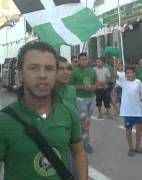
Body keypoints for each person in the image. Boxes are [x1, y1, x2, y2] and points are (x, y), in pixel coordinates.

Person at [0, 42, 88, 179]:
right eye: (34, 68)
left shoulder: (69, 111)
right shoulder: (4, 121)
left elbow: (79, 152)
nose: (42, 75)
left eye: (49, 68)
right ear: (22, 74)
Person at [114, 61, 142, 157]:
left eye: (131, 72)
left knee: (139, 130)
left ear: (134, 73)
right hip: (127, 111)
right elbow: (115, 76)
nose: (129, 74)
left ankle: (138, 147)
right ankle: (131, 148)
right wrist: (114, 65)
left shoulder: (138, 82)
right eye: (127, 73)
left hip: (137, 110)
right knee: (128, 129)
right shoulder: (124, 81)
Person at [71, 52, 97, 154]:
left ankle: (78, 138)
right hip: (80, 99)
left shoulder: (92, 71)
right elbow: (70, 85)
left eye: (86, 59)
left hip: (92, 98)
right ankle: (86, 144)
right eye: (82, 59)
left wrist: (94, 87)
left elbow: (96, 82)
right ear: (78, 61)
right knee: (85, 121)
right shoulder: (74, 72)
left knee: (86, 121)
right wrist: (82, 87)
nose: (84, 61)